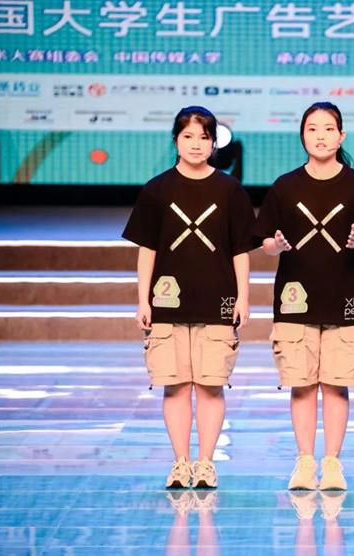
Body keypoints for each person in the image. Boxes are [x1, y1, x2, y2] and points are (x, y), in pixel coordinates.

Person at [254, 101, 354, 491]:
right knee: (301, 383)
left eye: (329, 129)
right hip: (295, 299)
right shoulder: (285, 186)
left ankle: (332, 463)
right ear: (302, 136)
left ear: (341, 136)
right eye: (312, 129)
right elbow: (265, 241)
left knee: (336, 383)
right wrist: (276, 246)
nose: (321, 136)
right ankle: (304, 461)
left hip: (345, 296)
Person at [122, 106, 257, 489]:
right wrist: (143, 299)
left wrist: (243, 297)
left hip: (218, 301)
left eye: (204, 137)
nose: (196, 144)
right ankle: (181, 463)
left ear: (213, 143)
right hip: (167, 302)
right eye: (188, 137)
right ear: (175, 141)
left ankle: (206, 463)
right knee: (176, 385)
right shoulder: (157, 189)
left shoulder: (229, 190)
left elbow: (240, 250)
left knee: (211, 385)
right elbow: (147, 249)